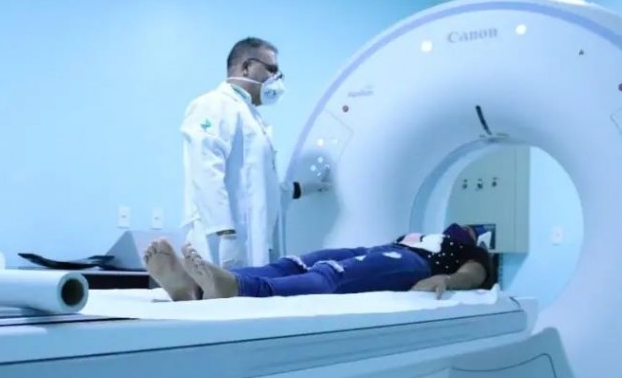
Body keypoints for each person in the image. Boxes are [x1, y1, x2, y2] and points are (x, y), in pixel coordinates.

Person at [180, 37, 329, 269]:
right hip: (222, 239)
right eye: (271, 69)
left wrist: (305, 187)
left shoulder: (252, 118)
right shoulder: (213, 104)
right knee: (217, 288)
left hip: (253, 242)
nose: (276, 79)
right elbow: (205, 170)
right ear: (246, 67)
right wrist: (224, 233)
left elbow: (261, 188)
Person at [143, 223, 491, 302]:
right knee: (293, 264)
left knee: (331, 275)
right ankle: (196, 288)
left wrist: (447, 280)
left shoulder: (469, 251)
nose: (460, 228)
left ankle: (239, 288)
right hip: (382, 249)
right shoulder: (417, 233)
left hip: (414, 263)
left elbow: (473, 275)